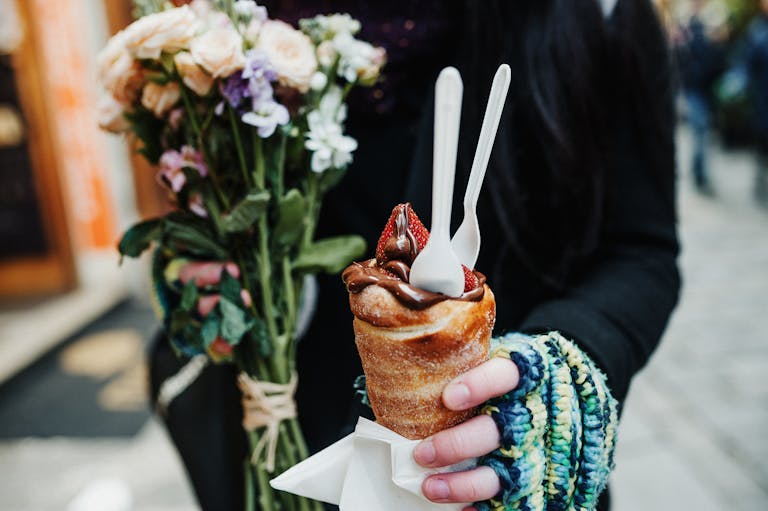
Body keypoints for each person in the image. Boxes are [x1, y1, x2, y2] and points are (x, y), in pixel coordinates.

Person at [149, 1, 680, 510]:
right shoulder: (243, 40)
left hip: (509, 477)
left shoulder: (598, 12)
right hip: (310, 450)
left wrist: (558, 375)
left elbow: (641, 250)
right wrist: (245, 287)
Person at [675, 0, 726, 194]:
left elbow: (718, 62)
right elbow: (680, 60)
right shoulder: (687, 27)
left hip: (705, 89)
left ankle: (699, 172)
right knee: (700, 131)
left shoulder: (711, 25)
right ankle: (699, 174)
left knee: (702, 132)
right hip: (694, 88)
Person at [743, 0, 768, 205]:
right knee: (763, 145)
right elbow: (748, 67)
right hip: (763, 100)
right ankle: (760, 180)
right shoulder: (757, 32)